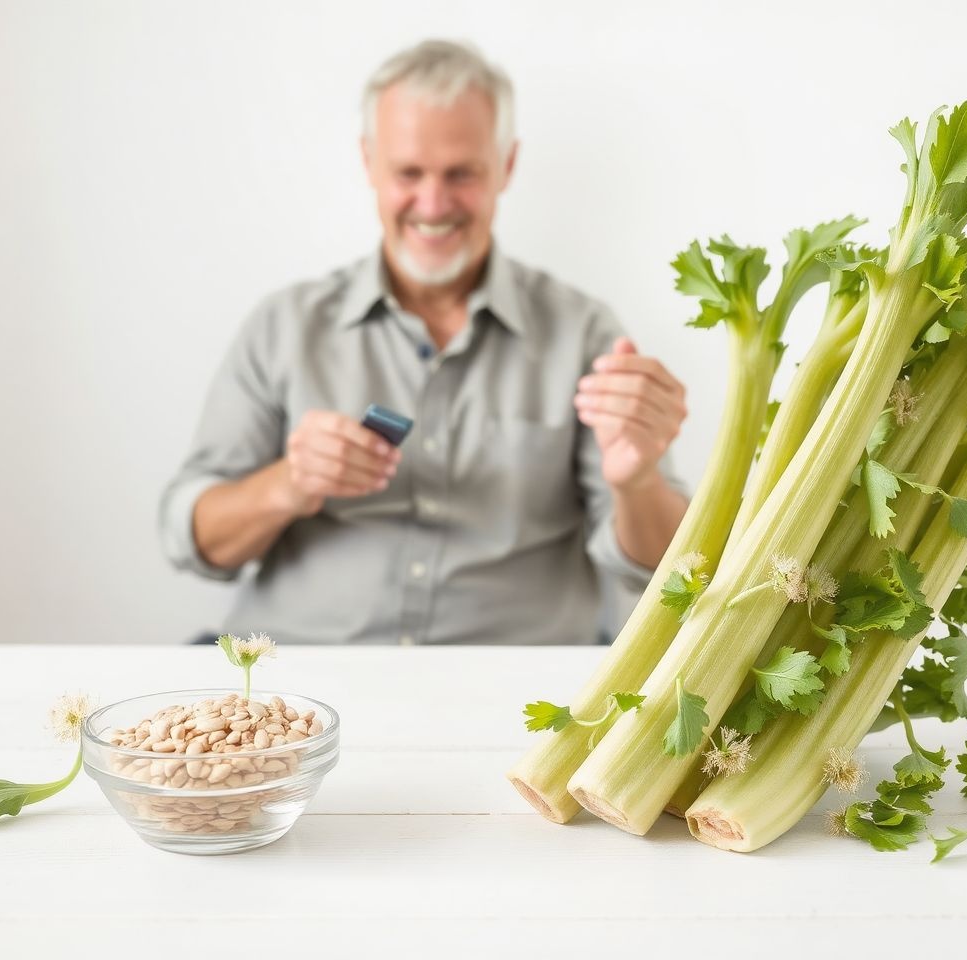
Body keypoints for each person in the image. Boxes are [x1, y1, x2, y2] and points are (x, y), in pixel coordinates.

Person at [159, 40, 691, 646]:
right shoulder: (284, 326)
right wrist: (288, 484)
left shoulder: (583, 333)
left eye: (461, 173)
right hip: (298, 686)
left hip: (513, 698)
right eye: (408, 173)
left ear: (507, 166)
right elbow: (190, 539)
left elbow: (661, 574)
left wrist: (638, 482)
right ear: (369, 164)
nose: (433, 204)